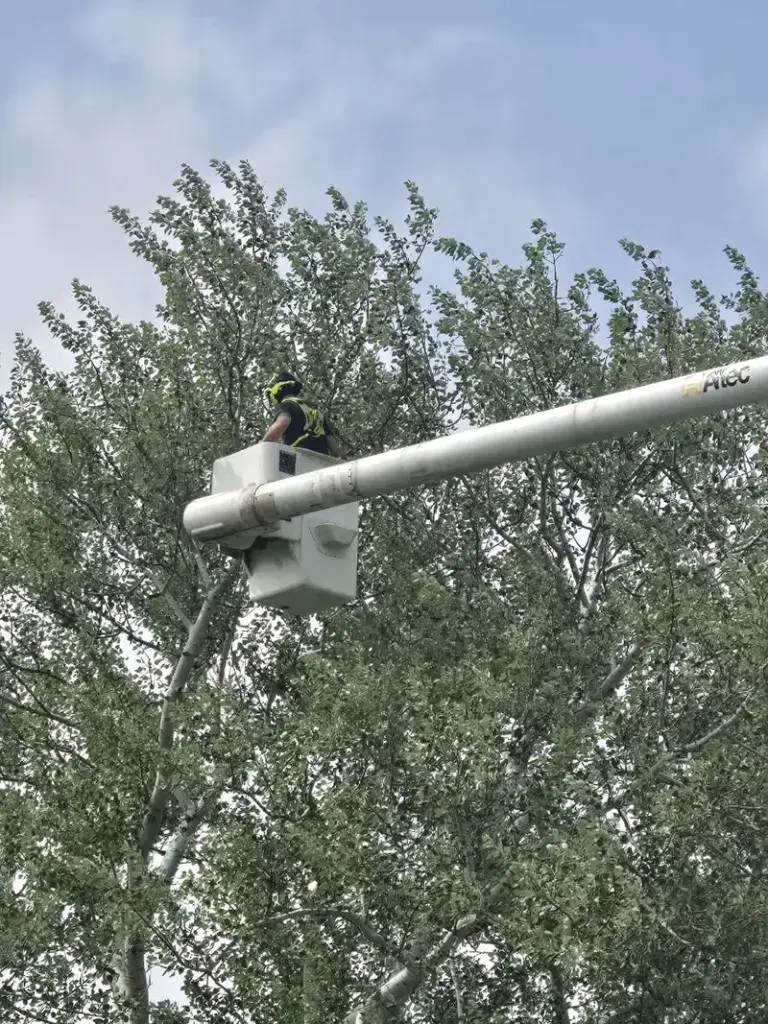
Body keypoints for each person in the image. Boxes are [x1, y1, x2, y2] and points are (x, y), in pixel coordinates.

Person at [261, 370, 341, 457]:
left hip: (298, 461)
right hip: (320, 463)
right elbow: (334, 447)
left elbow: (282, 423)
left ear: (278, 389)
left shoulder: (285, 405)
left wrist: (262, 445)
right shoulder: (315, 410)